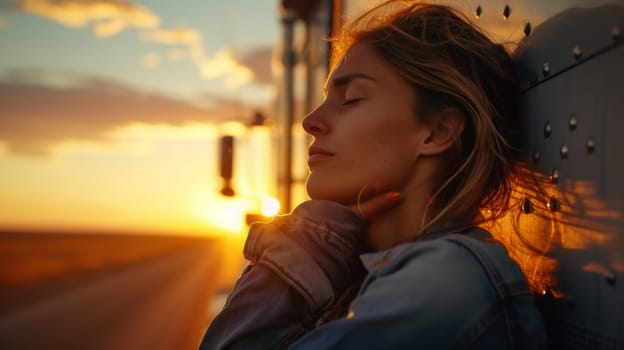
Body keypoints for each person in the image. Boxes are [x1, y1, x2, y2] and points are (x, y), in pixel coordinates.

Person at [199, 1, 548, 349]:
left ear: (437, 132)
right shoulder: (388, 273)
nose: (310, 122)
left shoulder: (447, 283)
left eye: (350, 99)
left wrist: (314, 241)